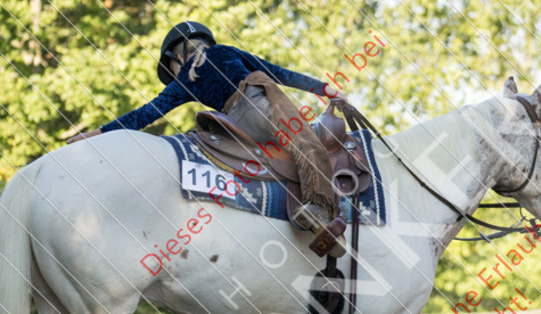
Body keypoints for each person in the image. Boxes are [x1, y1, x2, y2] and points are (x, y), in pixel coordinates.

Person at [68, 21, 348, 257]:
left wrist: (98, 133)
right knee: (308, 143)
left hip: (234, 126)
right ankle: (320, 211)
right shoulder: (225, 51)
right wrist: (323, 88)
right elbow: (279, 73)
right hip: (259, 103)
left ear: (178, 56)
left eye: (171, 67)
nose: (173, 73)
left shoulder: (183, 80)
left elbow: (145, 114)